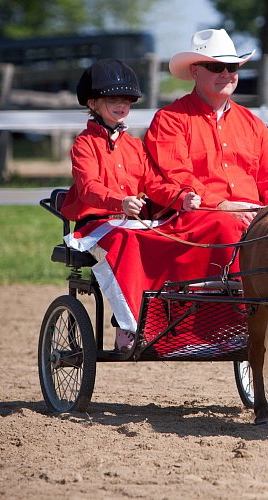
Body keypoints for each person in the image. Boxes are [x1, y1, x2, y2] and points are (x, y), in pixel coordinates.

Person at [61, 58, 202, 352]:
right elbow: (88, 188)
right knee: (126, 240)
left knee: (166, 239)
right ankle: (128, 325)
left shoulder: (135, 145)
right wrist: (119, 201)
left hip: (130, 223)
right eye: (113, 99)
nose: (122, 105)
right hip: (96, 226)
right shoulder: (84, 144)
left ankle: (172, 321)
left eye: (127, 100)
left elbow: (153, 183)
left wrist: (181, 197)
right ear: (92, 102)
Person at [144, 28, 268, 224]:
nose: (226, 73)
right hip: (199, 217)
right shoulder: (170, 120)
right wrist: (222, 206)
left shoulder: (252, 123)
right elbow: (177, 178)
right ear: (195, 71)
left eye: (232, 66)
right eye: (215, 67)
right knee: (230, 229)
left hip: (254, 218)